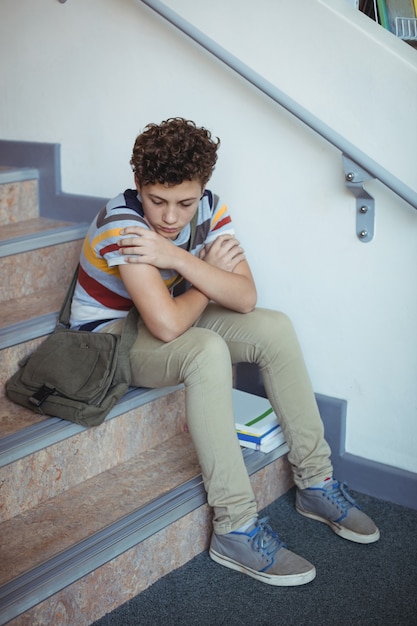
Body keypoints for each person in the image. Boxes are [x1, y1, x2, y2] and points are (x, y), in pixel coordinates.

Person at [70, 117, 379, 587]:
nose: (171, 218)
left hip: (165, 311)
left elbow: (245, 297)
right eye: (157, 201)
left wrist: (176, 258)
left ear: (203, 189)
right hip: (109, 342)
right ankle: (234, 527)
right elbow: (167, 324)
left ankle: (315, 482)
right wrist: (200, 270)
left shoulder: (209, 207)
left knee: (273, 326)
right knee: (206, 350)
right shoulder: (125, 226)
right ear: (138, 185)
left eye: (185, 203)